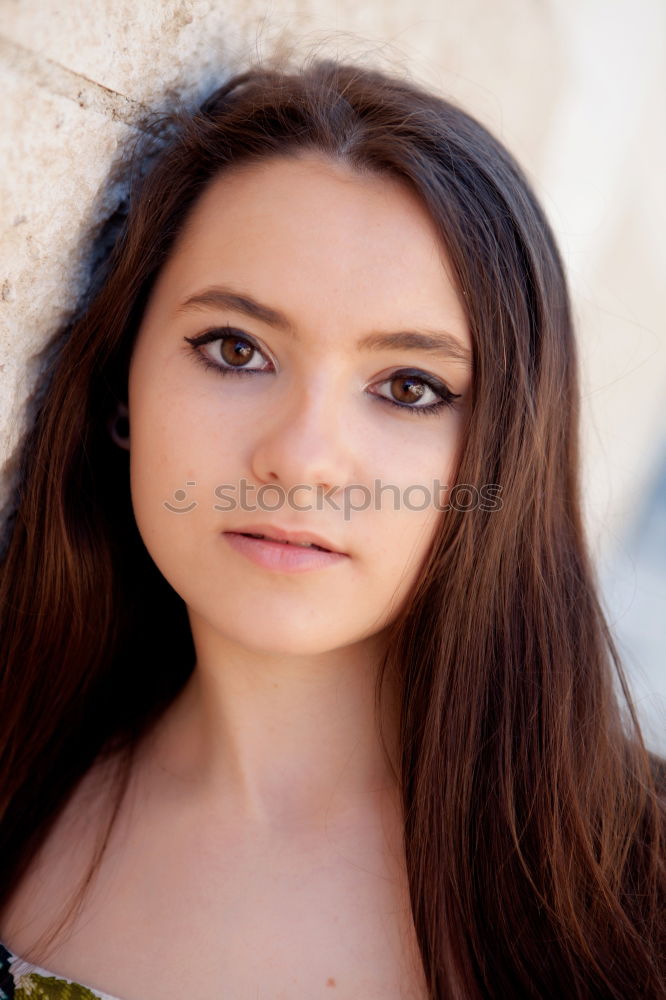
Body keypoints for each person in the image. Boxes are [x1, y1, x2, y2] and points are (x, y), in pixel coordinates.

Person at [0, 52, 663, 1000]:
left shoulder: (635, 890)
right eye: (236, 350)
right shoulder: (19, 768)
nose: (303, 458)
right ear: (122, 394)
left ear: (504, 458)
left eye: (409, 387)